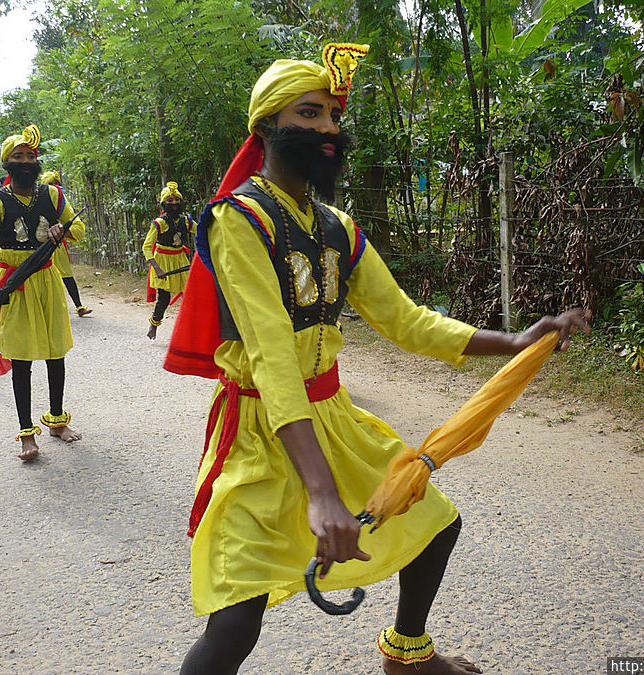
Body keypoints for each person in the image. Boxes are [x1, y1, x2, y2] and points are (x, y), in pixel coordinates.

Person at [164, 43, 590, 675]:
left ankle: (408, 655)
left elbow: (406, 321)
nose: (329, 129)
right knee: (234, 623)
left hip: (332, 420)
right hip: (260, 434)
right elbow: (274, 358)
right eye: (309, 114)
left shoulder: (338, 226)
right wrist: (321, 493)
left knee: (434, 524)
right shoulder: (238, 221)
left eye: (334, 116)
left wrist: (516, 340)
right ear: (266, 128)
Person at [0, 125, 86, 461]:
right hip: (14, 285)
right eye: (18, 156)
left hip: (46, 280)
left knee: (55, 353)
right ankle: (26, 434)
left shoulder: (51, 195)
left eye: (31, 156)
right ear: (7, 163)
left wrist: (64, 230)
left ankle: (57, 421)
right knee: (21, 359)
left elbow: (79, 229)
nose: (26, 161)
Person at [143, 181, 194, 339]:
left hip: (180, 259)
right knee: (164, 299)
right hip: (163, 262)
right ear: (164, 203)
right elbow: (146, 247)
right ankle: (154, 324)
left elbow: (201, 231)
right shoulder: (160, 223)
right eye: (170, 200)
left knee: (190, 295)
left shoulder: (186, 220)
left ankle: (189, 330)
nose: (174, 203)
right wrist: (157, 268)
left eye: (177, 200)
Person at [39, 171, 92, 317]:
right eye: (50, 184)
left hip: (58, 247)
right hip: (40, 248)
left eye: (56, 184)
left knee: (67, 276)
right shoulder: (37, 200)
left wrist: (62, 230)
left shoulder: (61, 203)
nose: (54, 187)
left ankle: (79, 306)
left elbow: (77, 228)